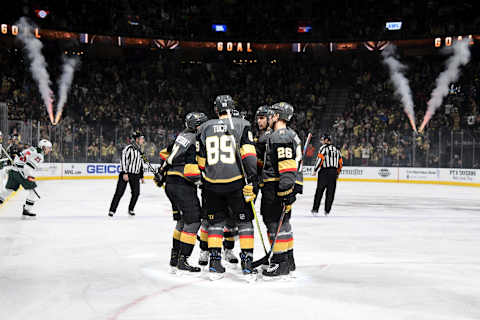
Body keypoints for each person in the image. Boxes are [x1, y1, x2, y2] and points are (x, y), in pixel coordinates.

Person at [196, 94, 258, 280]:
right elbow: (249, 156)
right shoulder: (242, 124)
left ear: (216, 110)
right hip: (236, 181)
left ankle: (214, 263)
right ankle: (247, 263)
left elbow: (200, 162)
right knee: (245, 221)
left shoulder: (205, 127)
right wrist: (253, 179)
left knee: (215, 222)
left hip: (212, 184)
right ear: (232, 108)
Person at [156, 112, 208, 274]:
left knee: (182, 221)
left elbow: (165, 154)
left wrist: (162, 171)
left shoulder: (181, 136)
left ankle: (175, 256)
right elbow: (193, 170)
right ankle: (183, 260)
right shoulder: (195, 139)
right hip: (183, 184)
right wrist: (203, 181)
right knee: (193, 222)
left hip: (171, 182)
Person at [261, 102, 303, 279]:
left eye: (271, 115)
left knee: (273, 223)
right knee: (284, 224)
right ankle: (288, 259)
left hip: (276, 186)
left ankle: (280, 263)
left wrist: (285, 191)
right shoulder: (290, 134)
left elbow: (286, 166)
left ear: (277, 117)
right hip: (285, 185)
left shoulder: (280, 135)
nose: (269, 117)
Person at [0, 139, 52, 218]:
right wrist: (30, 177)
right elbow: (27, 168)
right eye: (48, 148)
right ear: (43, 147)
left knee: (9, 191)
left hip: (13, 170)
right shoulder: (39, 156)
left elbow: (19, 156)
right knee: (34, 192)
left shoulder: (32, 149)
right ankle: (26, 210)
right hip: (21, 173)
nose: (50, 150)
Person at [108, 132, 145, 217]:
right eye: (141, 138)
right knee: (119, 193)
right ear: (137, 140)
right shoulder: (128, 148)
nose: (143, 140)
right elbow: (123, 161)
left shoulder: (140, 150)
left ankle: (131, 209)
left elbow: (141, 163)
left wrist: (141, 176)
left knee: (136, 193)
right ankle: (112, 210)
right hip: (126, 174)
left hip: (135, 175)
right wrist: (125, 173)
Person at [311, 134, 343, 216]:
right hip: (334, 172)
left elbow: (320, 159)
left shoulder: (323, 148)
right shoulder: (337, 150)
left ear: (326, 141)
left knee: (319, 191)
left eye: (322, 140)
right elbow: (340, 163)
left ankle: (315, 209)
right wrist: (338, 173)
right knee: (330, 192)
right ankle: (327, 211)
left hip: (324, 172)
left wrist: (315, 169)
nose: (321, 141)